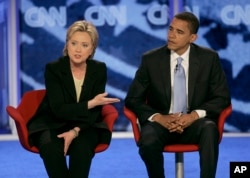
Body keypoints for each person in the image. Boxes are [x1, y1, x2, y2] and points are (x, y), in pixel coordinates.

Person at [125, 11, 231, 178]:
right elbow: (132, 99)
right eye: (170, 29)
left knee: (209, 129)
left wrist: (194, 115)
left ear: (192, 38)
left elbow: (222, 97)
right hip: (161, 124)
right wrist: (159, 117)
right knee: (148, 139)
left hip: (194, 124)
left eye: (179, 32)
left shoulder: (208, 59)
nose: (171, 35)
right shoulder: (151, 60)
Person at [27, 20, 120, 178]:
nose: (78, 49)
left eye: (84, 45)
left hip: (85, 125)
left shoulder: (98, 69)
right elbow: (58, 109)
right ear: (67, 45)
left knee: (82, 149)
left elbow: (95, 112)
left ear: (91, 50)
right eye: (74, 43)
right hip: (52, 123)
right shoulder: (53, 69)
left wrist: (75, 131)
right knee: (51, 148)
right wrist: (90, 103)